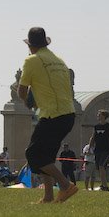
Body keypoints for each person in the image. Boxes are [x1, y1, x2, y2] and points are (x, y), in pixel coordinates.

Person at [18, 27, 77, 203]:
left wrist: (29, 103)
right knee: (47, 155)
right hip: (68, 114)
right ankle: (48, 197)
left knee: (33, 154)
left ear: (30, 45)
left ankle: (65, 186)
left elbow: (22, 90)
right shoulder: (59, 60)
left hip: (52, 114)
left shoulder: (31, 60)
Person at [92, 109, 109, 191]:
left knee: (101, 166)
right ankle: (102, 184)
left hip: (106, 150)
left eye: (99, 114)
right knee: (99, 168)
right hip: (97, 150)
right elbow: (93, 137)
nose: (98, 115)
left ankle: (105, 186)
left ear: (104, 116)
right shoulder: (96, 126)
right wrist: (89, 147)